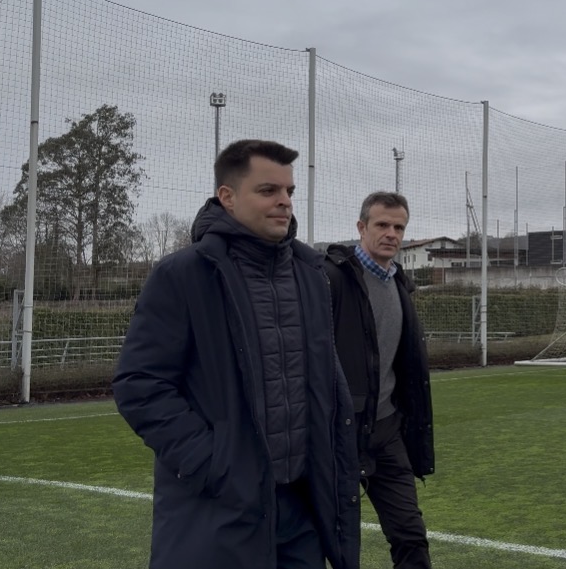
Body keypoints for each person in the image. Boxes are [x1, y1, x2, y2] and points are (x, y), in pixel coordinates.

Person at [112, 140, 360, 569]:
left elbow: (324, 381)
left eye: (289, 191)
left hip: (302, 510)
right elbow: (140, 384)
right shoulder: (183, 274)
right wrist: (214, 465)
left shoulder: (312, 274)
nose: (284, 202)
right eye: (268, 191)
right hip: (220, 508)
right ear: (227, 197)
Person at [323, 192, 434, 569]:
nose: (391, 234)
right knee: (332, 541)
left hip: (387, 432)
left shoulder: (400, 284)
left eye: (399, 227)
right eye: (382, 225)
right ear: (361, 227)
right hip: (336, 434)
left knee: (410, 534)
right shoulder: (332, 278)